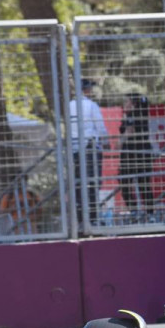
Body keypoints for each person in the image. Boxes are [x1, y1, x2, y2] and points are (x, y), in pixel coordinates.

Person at [68, 77, 109, 227]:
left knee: (79, 183)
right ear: (86, 90)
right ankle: (93, 218)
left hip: (75, 149)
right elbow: (100, 126)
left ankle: (80, 219)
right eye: (90, 88)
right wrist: (106, 142)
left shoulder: (69, 105)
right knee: (93, 183)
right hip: (90, 148)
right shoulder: (91, 105)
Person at [118, 92, 155, 219]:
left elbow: (129, 132)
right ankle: (148, 213)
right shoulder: (141, 115)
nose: (124, 105)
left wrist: (118, 142)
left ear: (133, 104)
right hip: (140, 153)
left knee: (127, 182)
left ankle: (136, 211)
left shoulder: (132, 116)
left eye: (126, 102)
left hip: (133, 154)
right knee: (143, 184)